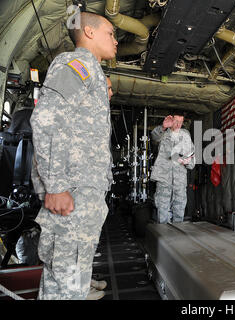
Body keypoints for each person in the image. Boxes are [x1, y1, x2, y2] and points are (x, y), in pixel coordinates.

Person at [30, 11, 117, 300]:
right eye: (110, 33)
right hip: (71, 193)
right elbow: (47, 119)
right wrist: (55, 186)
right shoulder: (76, 63)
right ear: (89, 32)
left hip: (83, 195)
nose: (115, 41)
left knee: (73, 279)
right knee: (63, 288)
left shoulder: (92, 72)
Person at [86, 75, 114, 300]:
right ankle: (78, 288)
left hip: (93, 187)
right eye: (108, 88)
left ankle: (85, 280)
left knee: (87, 241)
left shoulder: (98, 114)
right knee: (76, 243)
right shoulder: (80, 109)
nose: (111, 92)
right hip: (79, 189)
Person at [150, 114, 195, 224]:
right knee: (162, 207)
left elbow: (192, 158)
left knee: (179, 207)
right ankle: (162, 235)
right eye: (176, 121)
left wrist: (188, 162)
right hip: (164, 177)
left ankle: (177, 236)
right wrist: (163, 127)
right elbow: (154, 136)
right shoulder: (163, 133)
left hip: (179, 179)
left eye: (181, 121)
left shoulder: (185, 136)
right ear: (171, 121)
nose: (178, 124)